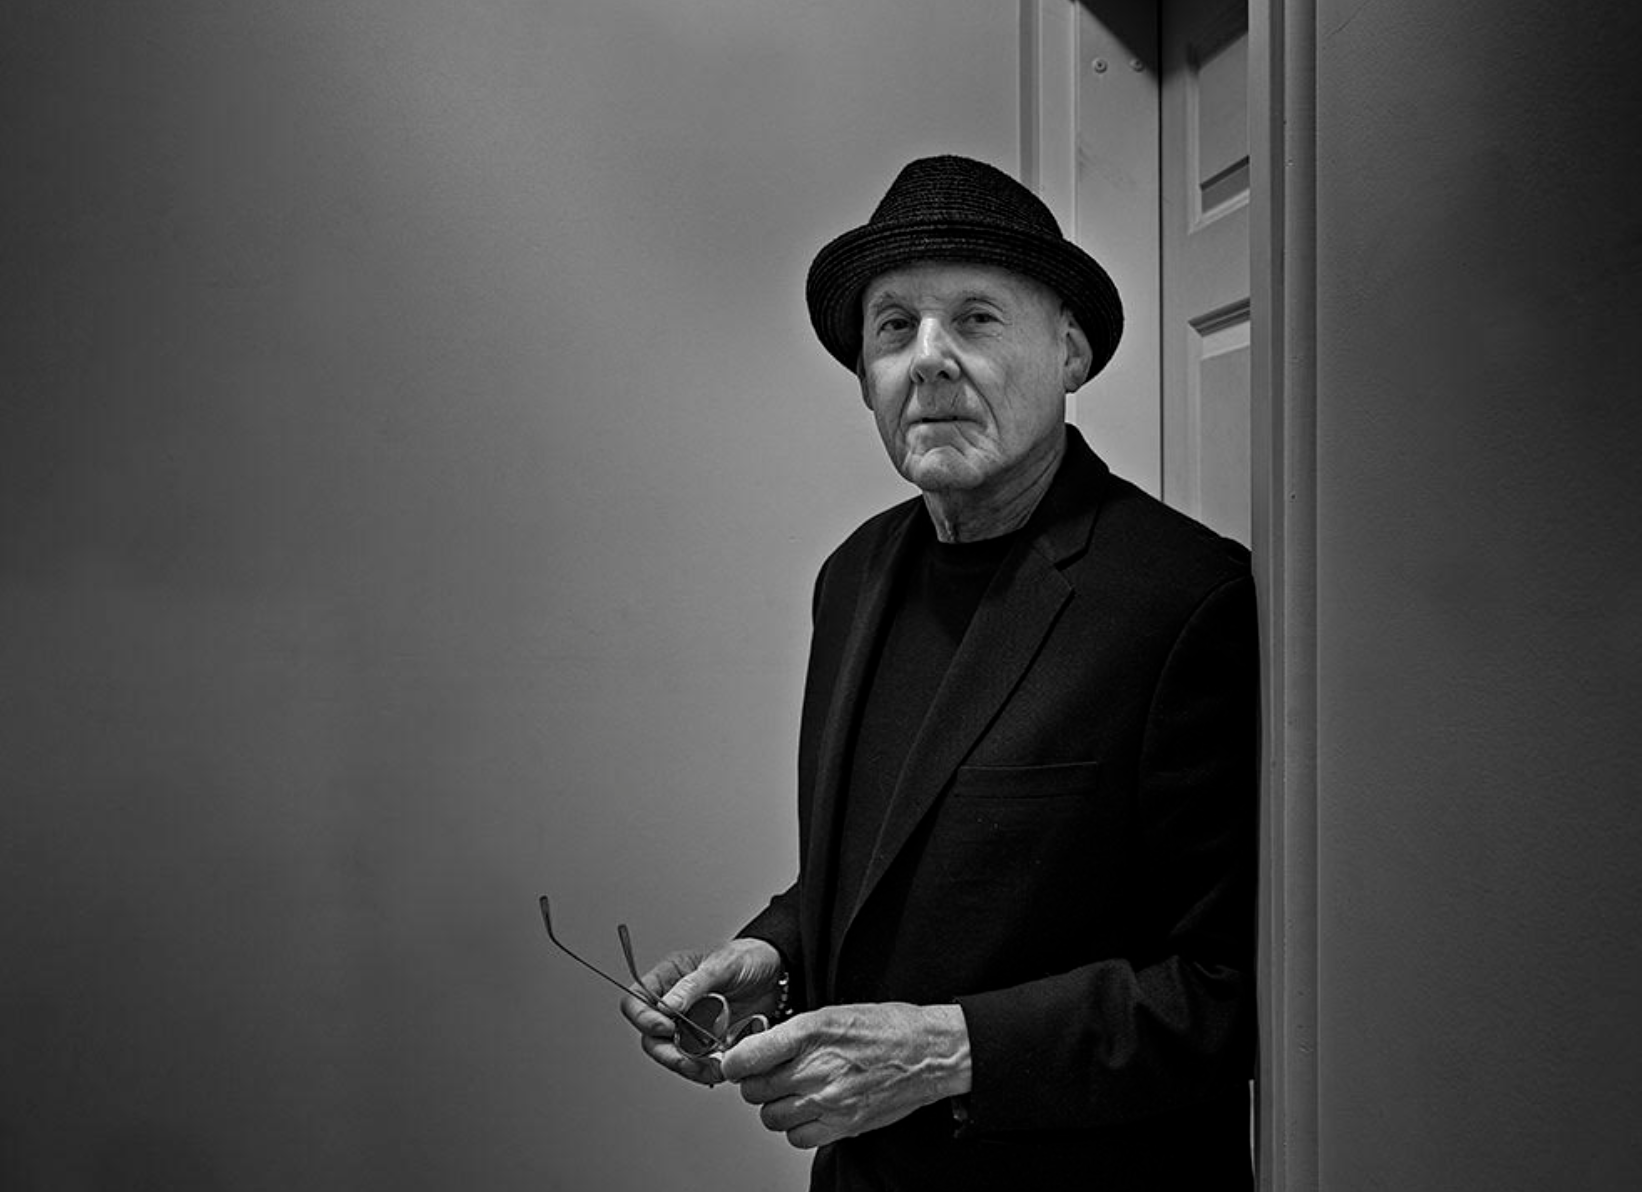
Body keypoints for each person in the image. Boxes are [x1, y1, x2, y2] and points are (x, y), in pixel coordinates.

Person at [620, 154, 1258, 1189]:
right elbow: (898, 871)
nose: (929, 359)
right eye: (894, 327)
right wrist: (777, 956)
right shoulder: (853, 574)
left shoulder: (1184, 597)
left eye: (975, 319)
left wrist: (948, 1052)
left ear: (1070, 352)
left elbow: (1229, 989)